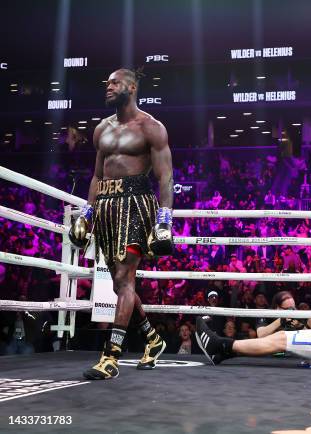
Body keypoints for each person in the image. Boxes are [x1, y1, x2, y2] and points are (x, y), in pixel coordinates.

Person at [69, 68, 175, 380]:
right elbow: (97, 176)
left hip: (135, 205)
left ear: (130, 86)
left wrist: (165, 219)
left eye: (114, 82)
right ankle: (153, 340)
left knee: (126, 280)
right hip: (105, 207)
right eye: (107, 82)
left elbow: (165, 176)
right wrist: (87, 214)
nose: (108, 86)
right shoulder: (101, 128)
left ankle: (111, 356)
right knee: (118, 283)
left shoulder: (151, 127)